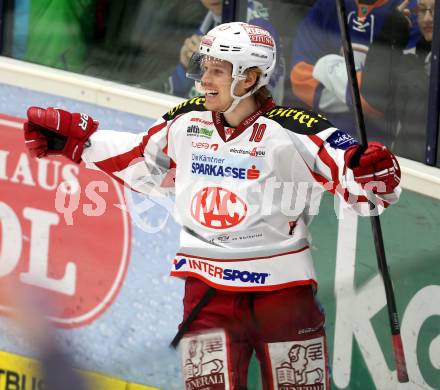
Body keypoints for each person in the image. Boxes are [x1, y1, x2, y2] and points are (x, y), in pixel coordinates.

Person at [23, 22, 401, 389]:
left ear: (249, 78)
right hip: (206, 295)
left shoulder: (295, 129)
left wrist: (374, 171)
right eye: (204, 68)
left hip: (283, 299)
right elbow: (141, 161)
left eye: (217, 71)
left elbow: (359, 178)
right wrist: (78, 143)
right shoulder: (186, 121)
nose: (204, 80)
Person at [290, 0, 421, 136]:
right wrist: (365, 97)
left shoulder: (412, 11)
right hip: (328, 137)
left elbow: (396, 96)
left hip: (385, 143)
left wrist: (328, 69)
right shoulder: (328, 5)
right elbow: (299, 79)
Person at [166, 0, 285, 103]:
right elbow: (173, 93)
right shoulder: (211, 19)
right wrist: (185, 64)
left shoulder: (258, 28)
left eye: (216, 71)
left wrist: (207, 59)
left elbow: (245, 98)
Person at [361, 0, 434, 161]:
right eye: (422, 10)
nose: (427, 19)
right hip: (409, 169)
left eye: (436, 11)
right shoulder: (413, 62)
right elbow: (373, 96)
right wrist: (391, 33)